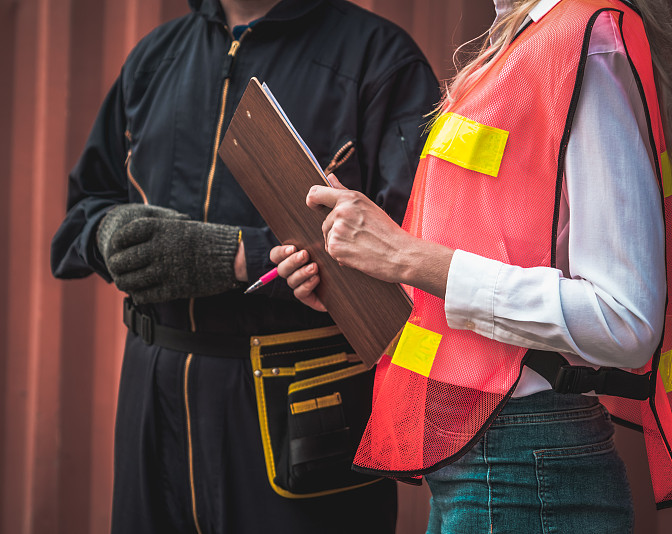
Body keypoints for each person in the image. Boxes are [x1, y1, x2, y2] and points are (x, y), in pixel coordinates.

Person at [272, 0, 672, 531]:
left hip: (524, 467)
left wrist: (404, 255)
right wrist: (357, 276)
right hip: (481, 459)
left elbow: (625, 320)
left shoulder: (583, 40)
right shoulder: (518, 42)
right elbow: (482, 257)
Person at [50, 0, 440, 532]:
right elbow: (85, 207)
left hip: (297, 410)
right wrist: (108, 235)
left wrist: (238, 256)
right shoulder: (155, 57)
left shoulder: (380, 59)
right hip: (153, 402)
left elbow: (412, 254)